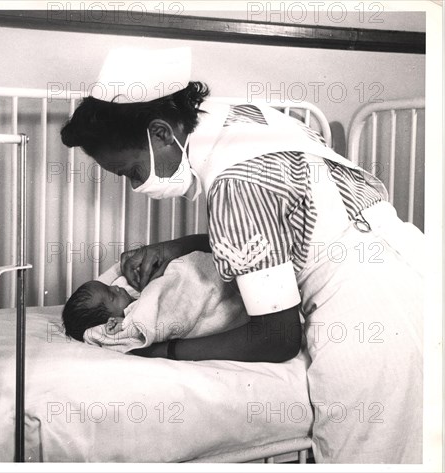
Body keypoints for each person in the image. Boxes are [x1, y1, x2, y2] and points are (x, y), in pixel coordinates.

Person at [60, 47, 424, 463]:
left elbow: (277, 338)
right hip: (415, 261)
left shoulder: (236, 183)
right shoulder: (245, 117)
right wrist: (176, 247)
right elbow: (282, 226)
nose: (134, 185)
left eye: (130, 172)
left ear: (160, 133)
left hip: (370, 314)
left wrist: (161, 352)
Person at [62, 251, 250, 353]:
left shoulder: (126, 289)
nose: (116, 288)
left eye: (110, 287)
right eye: (111, 295)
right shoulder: (134, 316)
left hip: (203, 272)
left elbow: (117, 271)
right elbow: (145, 322)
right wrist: (125, 323)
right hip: (208, 296)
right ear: (110, 322)